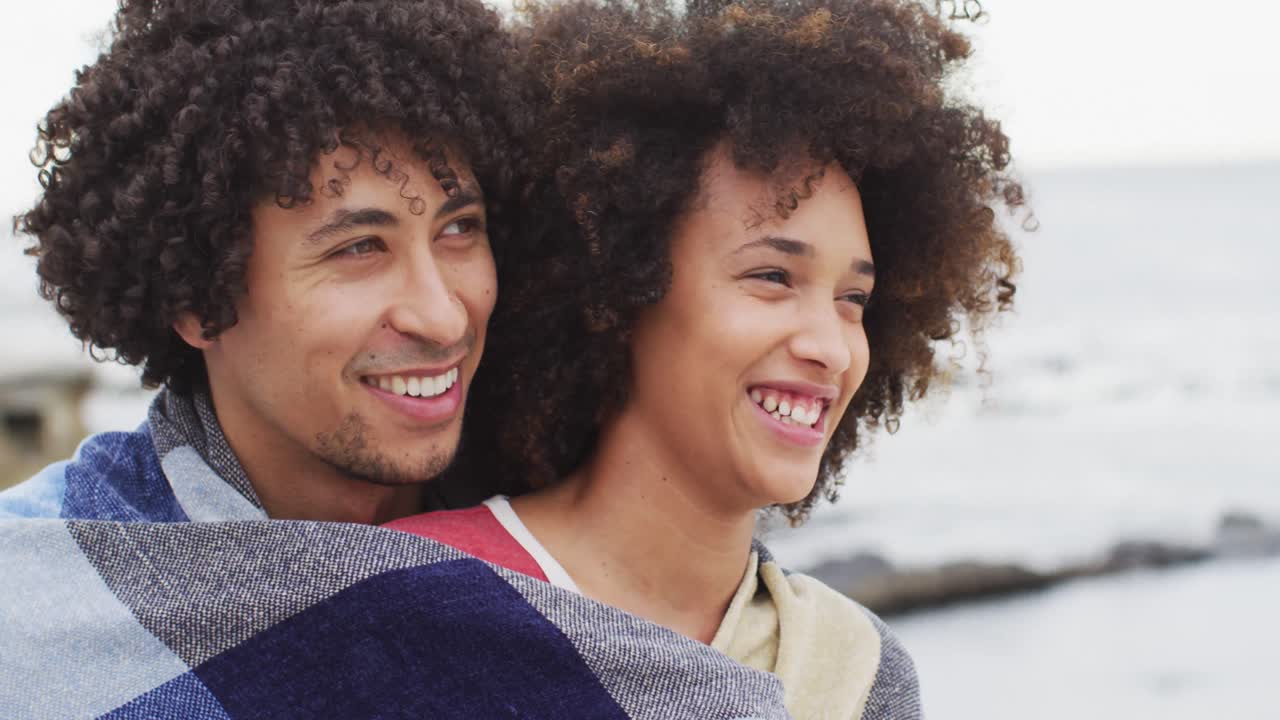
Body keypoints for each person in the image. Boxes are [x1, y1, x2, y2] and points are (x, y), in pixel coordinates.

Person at [0, 2, 792, 717]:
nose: (442, 312)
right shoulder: (34, 604)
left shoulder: (594, 538)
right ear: (198, 298)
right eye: (358, 248)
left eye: (459, 230)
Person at [387, 0, 1025, 717]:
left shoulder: (856, 675)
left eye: (853, 299)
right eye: (772, 277)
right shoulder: (398, 602)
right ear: (622, 289)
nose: (828, 347)